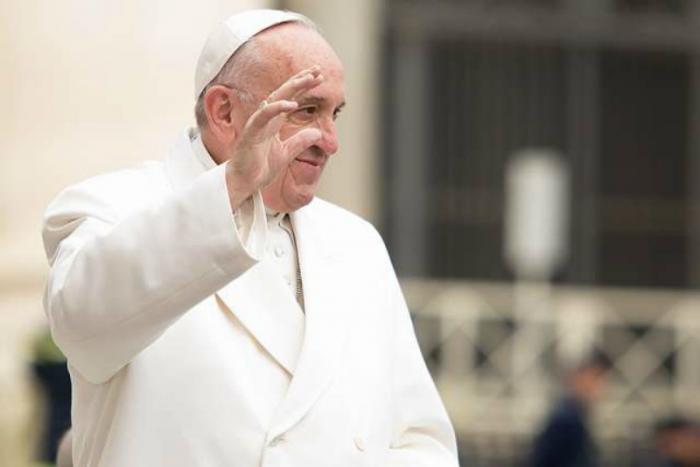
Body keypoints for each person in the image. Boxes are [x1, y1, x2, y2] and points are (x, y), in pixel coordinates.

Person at [41, 8, 458, 467]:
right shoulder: (111, 205)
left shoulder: (357, 243)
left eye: (334, 113)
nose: (331, 141)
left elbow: (423, 443)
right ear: (224, 112)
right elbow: (82, 325)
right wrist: (232, 187)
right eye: (307, 110)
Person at [528, 351, 611, 467]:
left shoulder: (572, 417)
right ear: (578, 378)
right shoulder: (566, 422)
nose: (600, 387)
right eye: (595, 378)